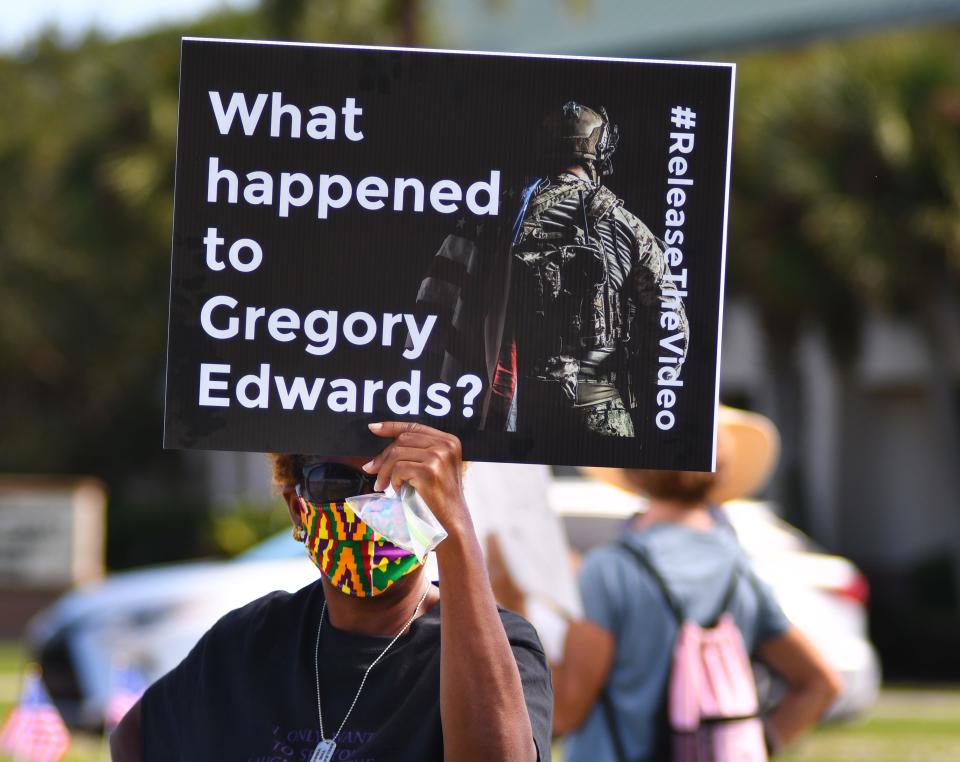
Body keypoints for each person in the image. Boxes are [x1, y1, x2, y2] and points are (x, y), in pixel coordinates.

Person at [110, 422, 552, 761]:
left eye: (399, 484)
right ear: (297, 507)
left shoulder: (498, 652)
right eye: (334, 483)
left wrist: (456, 536)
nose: (368, 508)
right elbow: (133, 737)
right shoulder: (246, 645)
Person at [493, 407, 841, 760]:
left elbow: (566, 710)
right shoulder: (739, 570)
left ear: (633, 470)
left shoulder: (611, 571)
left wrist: (514, 606)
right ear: (720, 472)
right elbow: (820, 684)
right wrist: (752, 746)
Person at [412, 101, 687, 438]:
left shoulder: (493, 216)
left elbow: (431, 312)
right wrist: (641, 391)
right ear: (601, 148)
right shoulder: (627, 225)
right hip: (599, 412)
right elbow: (673, 329)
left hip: (508, 410)